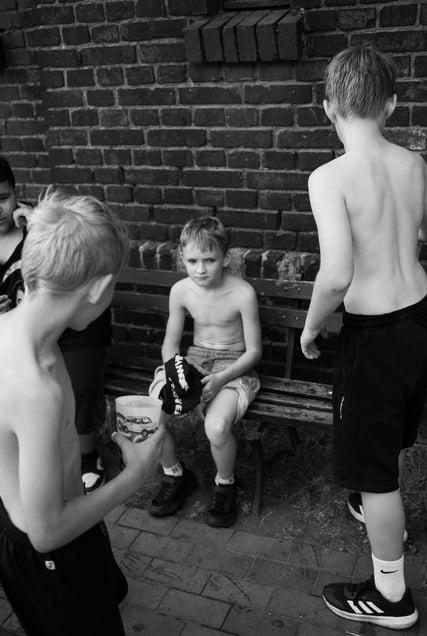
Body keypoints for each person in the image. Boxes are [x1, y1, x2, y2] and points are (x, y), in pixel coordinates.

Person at [300, 45, 427, 630]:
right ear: (393, 105)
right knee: (389, 431)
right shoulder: (414, 164)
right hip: (418, 319)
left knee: (375, 472)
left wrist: (310, 326)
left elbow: (337, 274)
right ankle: (372, 502)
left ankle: (390, 596)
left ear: (329, 108)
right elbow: (417, 230)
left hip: (374, 335)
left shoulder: (329, 177)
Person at [0, 187, 164, 636]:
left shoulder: (15, 331)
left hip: (50, 529)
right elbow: (47, 532)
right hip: (51, 555)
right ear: (98, 288)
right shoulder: (35, 389)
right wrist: (136, 474)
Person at [0, 156, 109, 493]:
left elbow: (70, 249)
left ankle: (86, 455)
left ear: (17, 193)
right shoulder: (38, 394)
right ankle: (32, 455)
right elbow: (47, 531)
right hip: (23, 334)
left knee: (81, 384)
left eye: (2, 198)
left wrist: (36, 222)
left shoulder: (39, 229)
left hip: (73, 332)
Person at [148, 216, 262, 528]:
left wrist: (223, 379)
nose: (200, 269)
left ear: (225, 258)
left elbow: (254, 352)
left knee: (216, 427)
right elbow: (171, 342)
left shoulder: (242, 293)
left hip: (233, 366)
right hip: (194, 361)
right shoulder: (181, 291)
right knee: (152, 415)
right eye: (193, 261)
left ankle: (225, 483)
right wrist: (174, 370)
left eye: (209, 260)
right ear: (182, 259)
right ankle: (174, 475)